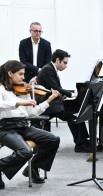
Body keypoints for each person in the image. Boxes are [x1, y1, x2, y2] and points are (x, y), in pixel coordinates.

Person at [0, 60, 61, 189]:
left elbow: (31, 112)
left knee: (53, 140)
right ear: (10, 73)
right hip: (6, 128)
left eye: (24, 74)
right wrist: (19, 103)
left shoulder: (23, 89)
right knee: (25, 152)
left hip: (24, 126)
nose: (23, 77)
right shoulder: (1, 88)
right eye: (20, 74)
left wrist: (49, 100)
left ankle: (32, 168)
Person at [36, 49, 91, 153]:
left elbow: (54, 88)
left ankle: (83, 141)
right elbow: (55, 88)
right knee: (74, 116)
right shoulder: (48, 69)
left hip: (53, 101)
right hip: (48, 105)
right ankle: (81, 144)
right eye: (65, 63)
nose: (66, 66)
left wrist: (64, 94)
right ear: (58, 60)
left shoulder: (50, 68)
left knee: (74, 112)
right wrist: (71, 94)